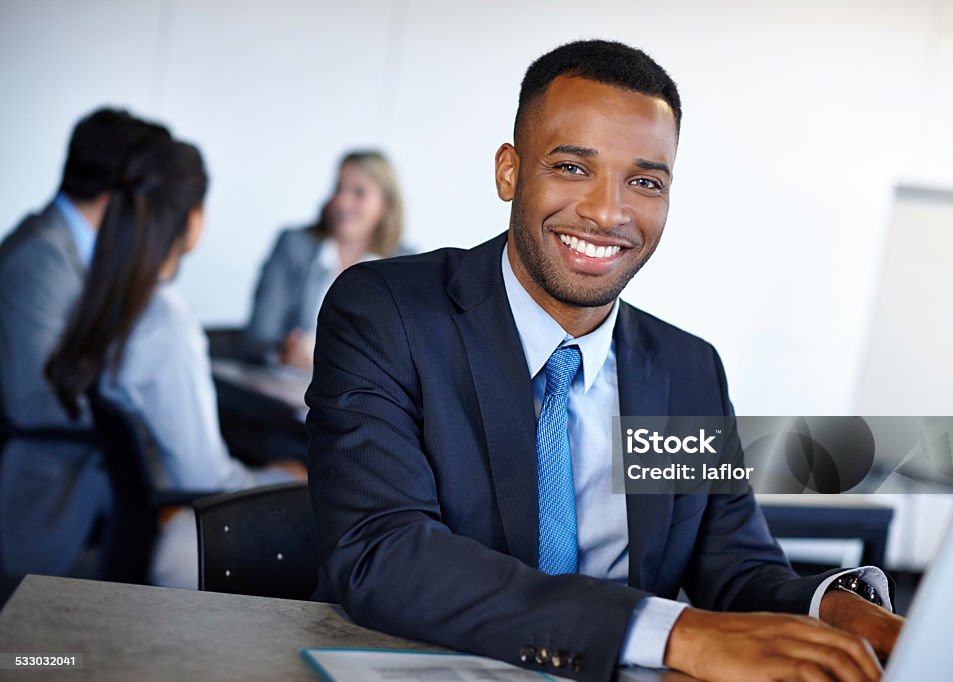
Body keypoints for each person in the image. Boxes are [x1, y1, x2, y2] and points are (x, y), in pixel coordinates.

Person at [306, 40, 904, 682]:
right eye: (571, 167)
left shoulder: (683, 369)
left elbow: (733, 565)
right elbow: (385, 553)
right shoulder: (391, 313)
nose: (608, 212)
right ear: (510, 171)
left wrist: (837, 610)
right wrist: (673, 633)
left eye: (644, 181)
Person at [45, 139, 305, 588]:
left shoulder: (114, 301)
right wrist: (280, 478)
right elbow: (204, 479)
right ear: (193, 220)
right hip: (183, 531)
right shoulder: (166, 321)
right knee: (318, 493)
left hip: (135, 525)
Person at [0, 108, 170, 580]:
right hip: (46, 491)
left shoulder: (77, 249)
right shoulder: (42, 255)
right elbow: (31, 402)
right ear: (123, 184)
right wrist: (134, 409)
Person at [243, 150, 406, 368]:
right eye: (339, 189)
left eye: (359, 193)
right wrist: (286, 351)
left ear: (386, 206)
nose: (342, 201)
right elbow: (259, 336)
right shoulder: (294, 245)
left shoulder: (404, 264)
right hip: (293, 387)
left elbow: (407, 358)